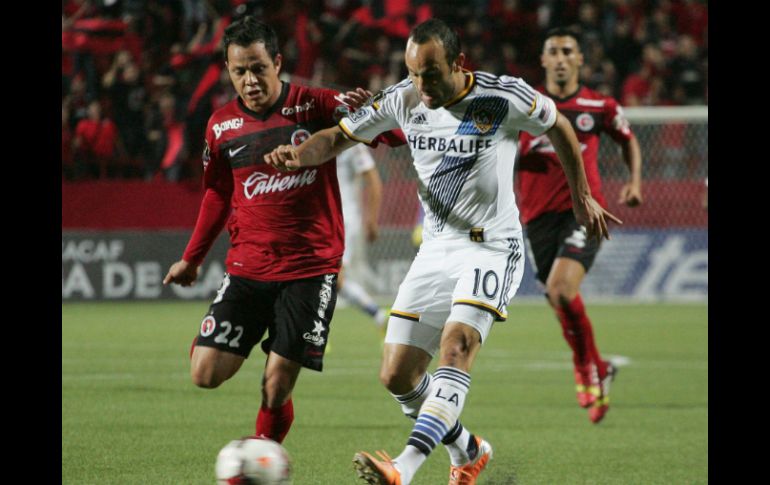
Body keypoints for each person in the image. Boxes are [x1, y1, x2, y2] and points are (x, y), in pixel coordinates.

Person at [265, 18, 620, 485]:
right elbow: (337, 137)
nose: (421, 85)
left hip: (492, 247)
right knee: (396, 375)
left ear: (458, 63)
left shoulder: (502, 95)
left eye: (430, 73)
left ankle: (404, 468)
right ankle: (468, 450)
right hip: (436, 249)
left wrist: (581, 195)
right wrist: (298, 153)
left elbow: (560, 127)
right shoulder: (404, 98)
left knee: (456, 347)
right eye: (413, 73)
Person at [162, 16, 397, 446]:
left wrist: (375, 112)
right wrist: (191, 259)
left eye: (258, 68)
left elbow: (392, 133)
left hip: (310, 271)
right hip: (248, 270)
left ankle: (262, 459)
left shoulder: (315, 103)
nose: (249, 80)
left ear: (277, 63)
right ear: (228, 72)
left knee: (275, 385)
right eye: (239, 71)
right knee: (204, 373)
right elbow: (216, 194)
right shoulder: (220, 127)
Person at [516, 27, 643, 424]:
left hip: (584, 210)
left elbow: (628, 139)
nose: (559, 58)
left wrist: (634, 181)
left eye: (567, 51)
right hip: (536, 216)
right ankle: (597, 367)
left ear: (579, 59)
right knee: (559, 300)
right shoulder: (526, 104)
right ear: (542, 60)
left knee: (561, 289)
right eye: (552, 51)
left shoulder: (599, 104)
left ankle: (586, 367)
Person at [336, 143, 389, 331]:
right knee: (329, 279)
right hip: (317, 219)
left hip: (343, 219)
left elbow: (373, 179)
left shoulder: (351, 142)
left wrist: (372, 220)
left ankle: (378, 314)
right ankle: (378, 314)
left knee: (334, 278)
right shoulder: (309, 134)